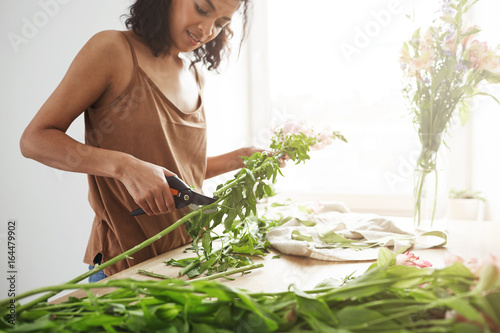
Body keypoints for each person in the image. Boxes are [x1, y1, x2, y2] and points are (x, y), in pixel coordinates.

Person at [19, 0, 255, 282]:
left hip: (183, 266)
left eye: (220, 23)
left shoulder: (194, 75)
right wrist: (125, 167)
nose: (207, 30)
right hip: (123, 269)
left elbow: (179, 174)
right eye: (202, 9)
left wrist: (241, 157)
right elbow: (34, 139)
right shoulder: (112, 49)